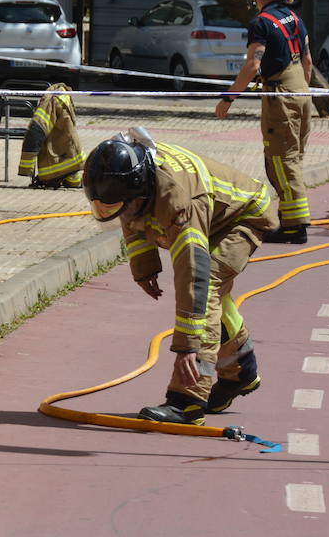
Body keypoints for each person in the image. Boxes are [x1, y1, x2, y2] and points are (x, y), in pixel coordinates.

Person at [83, 129, 275, 425]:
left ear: (141, 189)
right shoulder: (130, 176)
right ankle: (241, 371)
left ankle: (188, 401)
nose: (115, 211)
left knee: (207, 287)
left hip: (242, 216)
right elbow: (131, 217)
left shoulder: (179, 201)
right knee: (214, 298)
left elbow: (194, 276)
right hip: (215, 211)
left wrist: (188, 347)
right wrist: (144, 265)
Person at [214, 0, 312, 243]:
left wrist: (228, 98)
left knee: (281, 160)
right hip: (301, 93)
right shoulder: (295, 17)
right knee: (293, 158)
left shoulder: (261, 23)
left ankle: (295, 227)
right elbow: (307, 63)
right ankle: (292, 220)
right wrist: (301, 93)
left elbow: (251, 66)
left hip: (280, 95)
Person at [17, 82, 83, 188]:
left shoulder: (50, 101)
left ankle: (70, 179)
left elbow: (36, 130)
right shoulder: (63, 96)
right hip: (72, 157)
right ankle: (73, 180)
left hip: (55, 164)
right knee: (73, 181)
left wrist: (26, 167)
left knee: (68, 177)